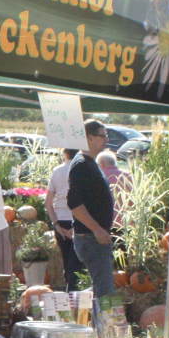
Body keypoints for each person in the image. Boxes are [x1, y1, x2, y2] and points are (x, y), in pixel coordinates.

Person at [67, 120, 115, 298]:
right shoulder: (81, 165)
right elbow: (74, 204)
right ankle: (102, 326)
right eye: (102, 136)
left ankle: (77, 308)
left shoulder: (90, 163)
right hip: (90, 238)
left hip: (94, 237)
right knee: (105, 292)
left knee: (100, 288)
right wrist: (97, 230)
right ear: (89, 138)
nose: (106, 140)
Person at [44, 148, 82, 290]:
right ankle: (75, 296)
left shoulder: (57, 171)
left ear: (64, 153)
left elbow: (48, 203)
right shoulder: (81, 171)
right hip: (78, 220)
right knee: (78, 265)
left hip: (60, 219)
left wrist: (56, 224)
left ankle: (69, 294)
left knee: (67, 262)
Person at [96, 150, 133, 230]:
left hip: (105, 223)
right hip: (127, 222)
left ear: (101, 163)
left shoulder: (98, 177)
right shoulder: (128, 176)